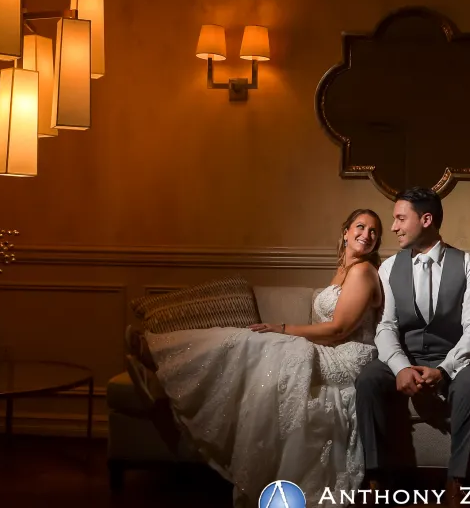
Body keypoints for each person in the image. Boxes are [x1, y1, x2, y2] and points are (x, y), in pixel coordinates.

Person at [143, 209, 384, 507]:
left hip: (349, 355)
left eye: (374, 231)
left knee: (268, 346)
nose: (367, 234)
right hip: (332, 348)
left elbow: (338, 330)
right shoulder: (343, 270)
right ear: (346, 231)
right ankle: (161, 357)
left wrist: (282, 328)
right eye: (360, 227)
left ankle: (159, 358)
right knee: (258, 346)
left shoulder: (362, 271)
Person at [355, 187, 470, 508]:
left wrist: (445, 370)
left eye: (401, 219)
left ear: (426, 219)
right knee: (368, 380)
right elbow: (385, 327)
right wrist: (401, 367)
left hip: (453, 359)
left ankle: (457, 480)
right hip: (406, 355)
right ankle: (377, 477)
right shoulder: (388, 268)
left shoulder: (469, 265)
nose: (394, 227)